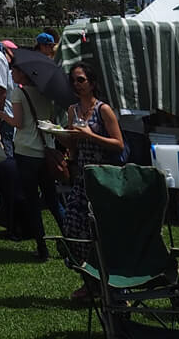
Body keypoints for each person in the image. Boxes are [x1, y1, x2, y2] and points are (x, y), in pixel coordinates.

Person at [61, 61, 126, 274]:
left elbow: (119, 144)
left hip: (103, 178)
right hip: (82, 177)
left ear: (91, 82)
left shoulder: (103, 110)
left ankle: (108, 280)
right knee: (73, 226)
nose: (77, 84)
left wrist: (91, 136)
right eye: (73, 81)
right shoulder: (72, 110)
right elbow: (73, 146)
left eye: (81, 80)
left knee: (102, 231)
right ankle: (88, 278)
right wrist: (63, 137)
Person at [3, 62, 65, 261]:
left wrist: (2, 116)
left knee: (33, 201)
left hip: (26, 152)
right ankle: (72, 241)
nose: (12, 73)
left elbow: (18, 123)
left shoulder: (18, 93)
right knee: (53, 201)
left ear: (23, 73)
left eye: (14, 70)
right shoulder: (46, 94)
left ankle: (42, 247)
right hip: (46, 150)